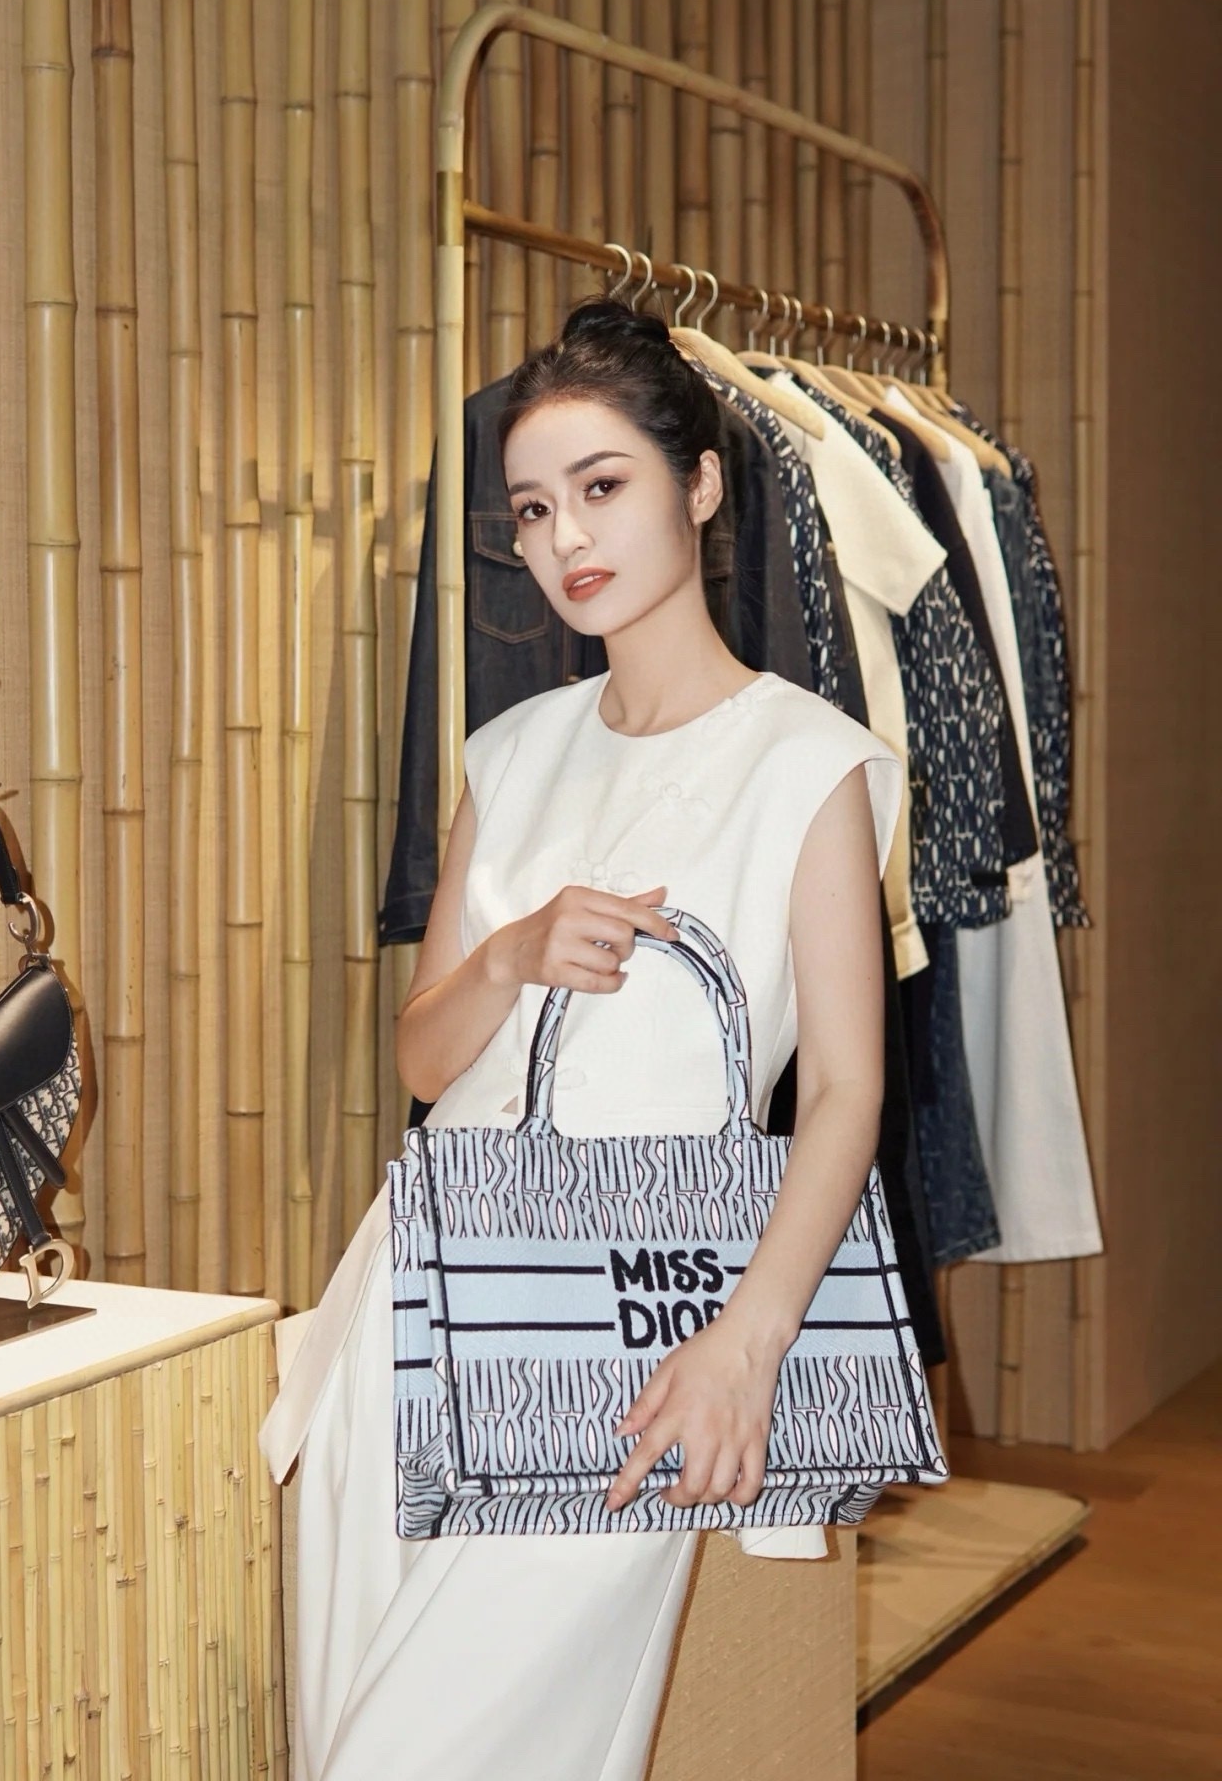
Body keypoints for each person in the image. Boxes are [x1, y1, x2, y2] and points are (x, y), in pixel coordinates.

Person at [260, 300, 902, 1781]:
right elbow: (425, 1065)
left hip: (637, 1327)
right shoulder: (510, 751)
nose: (566, 539)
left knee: (444, 1750)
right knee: (344, 1724)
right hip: (423, 1301)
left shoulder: (810, 765)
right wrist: (508, 953)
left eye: (602, 486)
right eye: (535, 509)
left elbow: (846, 1092)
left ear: (702, 483)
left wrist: (748, 1342)